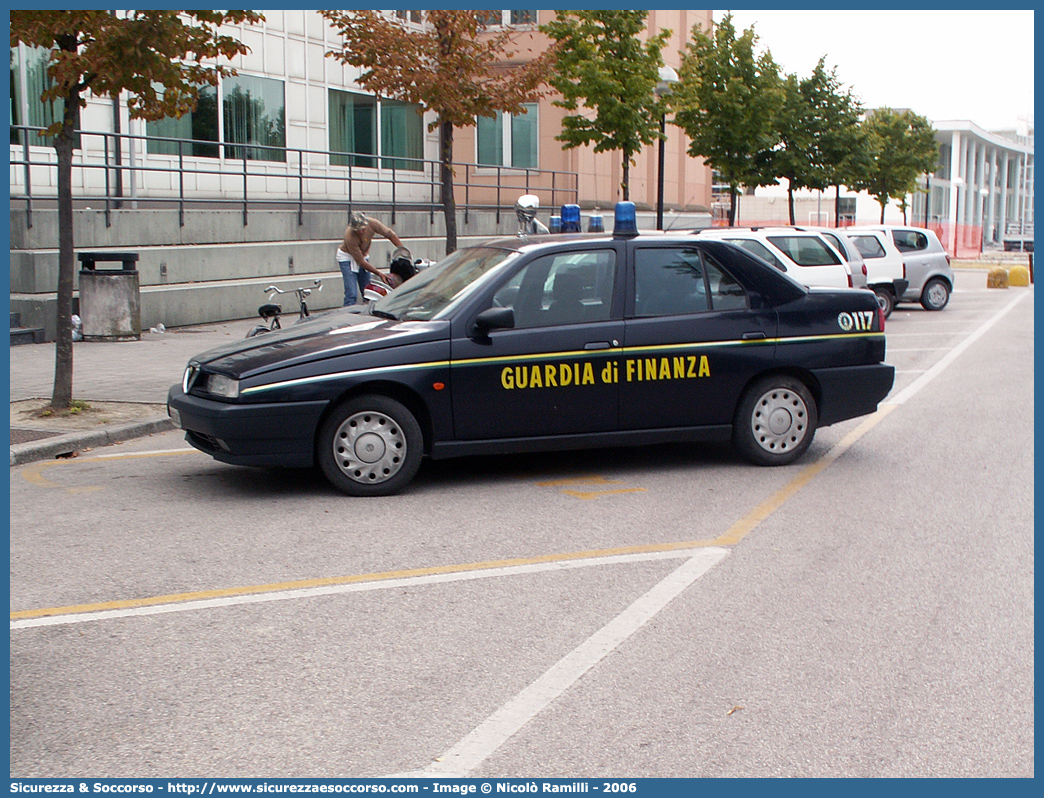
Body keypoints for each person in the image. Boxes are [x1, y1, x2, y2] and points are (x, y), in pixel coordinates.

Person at [336, 211, 405, 305]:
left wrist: (402, 249)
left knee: (368, 290)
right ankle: (347, 312)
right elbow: (361, 262)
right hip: (347, 257)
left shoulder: (372, 223)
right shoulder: (350, 236)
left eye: (362, 229)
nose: (361, 232)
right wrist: (379, 273)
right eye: (358, 230)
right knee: (351, 293)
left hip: (363, 254)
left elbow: (389, 234)